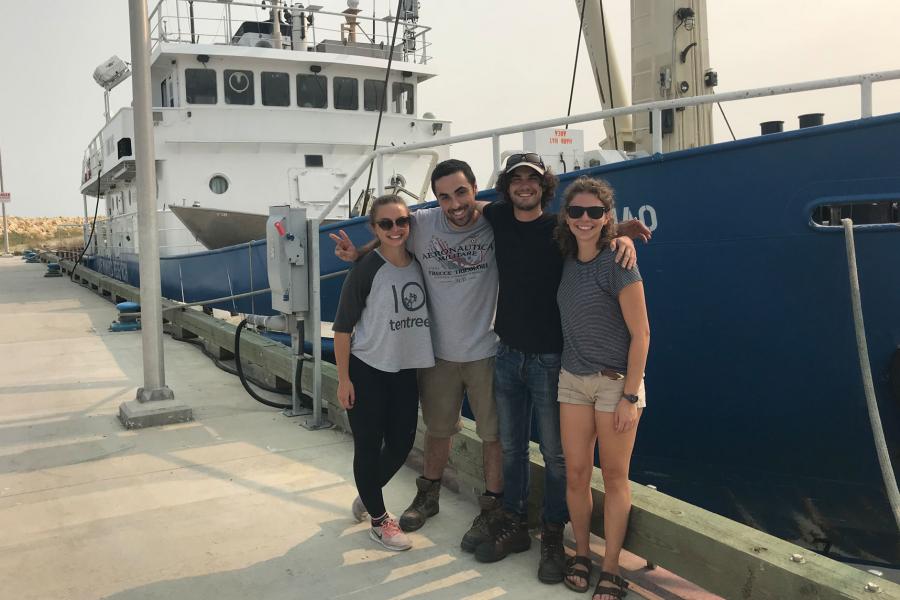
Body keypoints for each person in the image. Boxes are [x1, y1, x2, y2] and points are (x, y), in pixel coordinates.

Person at [473, 154, 648, 586]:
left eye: (532, 179)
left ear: (544, 186)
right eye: (517, 178)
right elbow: (455, 210)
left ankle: (558, 537)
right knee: (520, 448)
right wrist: (368, 246)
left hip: (560, 363)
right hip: (518, 357)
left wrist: (621, 234)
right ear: (507, 185)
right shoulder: (507, 220)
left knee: (562, 459)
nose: (524, 185)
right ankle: (517, 525)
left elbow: (641, 332)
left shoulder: (569, 237)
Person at [331, 159, 504, 553]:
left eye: (461, 192)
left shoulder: (494, 220)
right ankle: (397, 507)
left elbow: (544, 223)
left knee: (462, 436)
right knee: (420, 434)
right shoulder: (419, 227)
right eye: (444, 196)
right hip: (408, 361)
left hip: (456, 356)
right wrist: (359, 254)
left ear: (476, 188)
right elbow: (345, 324)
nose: (455, 203)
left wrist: (614, 234)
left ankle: (489, 505)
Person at [554, 177, 649, 600]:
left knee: (614, 477)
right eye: (577, 212)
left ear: (606, 217)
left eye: (595, 212)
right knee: (575, 474)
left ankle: (611, 568)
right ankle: (581, 554)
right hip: (573, 381)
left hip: (615, 385)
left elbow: (642, 335)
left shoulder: (620, 263)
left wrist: (630, 396)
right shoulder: (566, 260)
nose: (585, 219)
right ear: (567, 217)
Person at [332, 194, 435, 552]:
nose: (396, 229)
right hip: (368, 369)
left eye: (401, 222)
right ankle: (379, 519)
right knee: (368, 444)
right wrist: (344, 380)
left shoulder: (419, 262)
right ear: (374, 229)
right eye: (386, 223)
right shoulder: (365, 269)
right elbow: (342, 329)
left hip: (405, 368)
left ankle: (367, 495)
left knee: (402, 443)